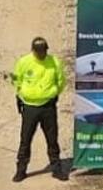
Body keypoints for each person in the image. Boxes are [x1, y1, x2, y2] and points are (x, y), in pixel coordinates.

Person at [12, 36, 68, 182]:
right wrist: (21, 93)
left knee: (52, 139)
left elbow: (61, 81)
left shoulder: (54, 62)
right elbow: (16, 79)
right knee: (25, 140)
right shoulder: (24, 62)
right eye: (38, 51)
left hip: (48, 106)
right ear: (33, 50)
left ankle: (57, 169)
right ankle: (21, 170)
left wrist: (54, 93)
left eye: (43, 51)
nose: (41, 54)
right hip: (29, 107)